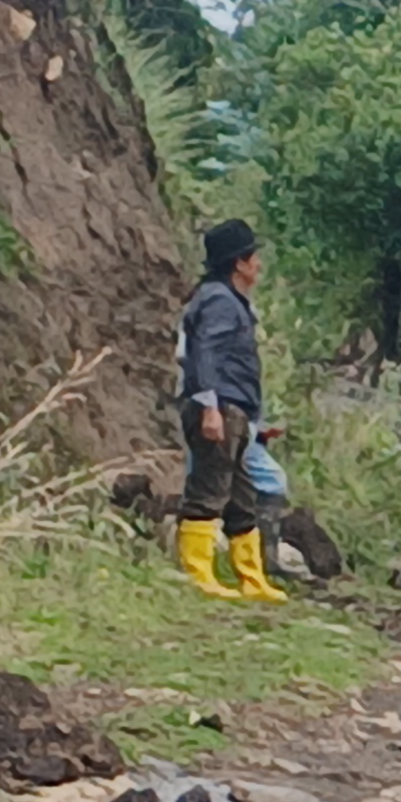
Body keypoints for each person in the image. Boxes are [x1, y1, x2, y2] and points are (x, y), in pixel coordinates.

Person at [174, 220, 284, 603]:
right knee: (209, 490)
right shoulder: (220, 301)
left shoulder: (225, 299)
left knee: (241, 497)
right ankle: (198, 574)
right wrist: (209, 406)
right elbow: (204, 352)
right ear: (239, 263)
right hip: (219, 406)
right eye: (254, 257)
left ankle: (251, 578)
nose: (259, 265)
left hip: (234, 408)